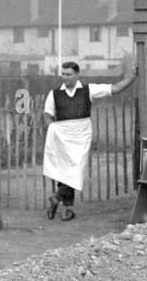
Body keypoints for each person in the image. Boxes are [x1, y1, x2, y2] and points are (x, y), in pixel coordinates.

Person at [43, 60, 138, 221]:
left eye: (69, 74)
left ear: (77, 74)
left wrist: (133, 76)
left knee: (76, 169)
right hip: (63, 135)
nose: (65, 77)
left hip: (81, 134)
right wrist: (53, 129)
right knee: (66, 170)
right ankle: (67, 209)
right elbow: (47, 115)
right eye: (63, 74)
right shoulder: (54, 94)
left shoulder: (88, 90)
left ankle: (57, 197)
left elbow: (114, 89)